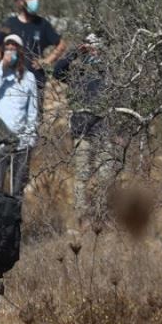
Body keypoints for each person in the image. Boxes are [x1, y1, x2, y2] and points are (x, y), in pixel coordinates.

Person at [52, 33, 115, 217]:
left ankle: (101, 213)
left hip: (103, 127)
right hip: (81, 129)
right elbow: (57, 72)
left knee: (106, 173)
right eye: (89, 44)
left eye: (95, 45)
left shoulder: (107, 71)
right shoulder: (76, 72)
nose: (92, 48)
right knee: (81, 174)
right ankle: (81, 216)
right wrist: (75, 52)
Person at [0, 0, 67, 113]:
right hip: (11, 82)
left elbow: (61, 44)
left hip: (36, 81)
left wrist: (46, 61)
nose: (35, 1)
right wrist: (3, 59)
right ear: (21, 1)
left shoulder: (42, 24)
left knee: (34, 118)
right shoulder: (10, 23)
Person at [0, 33, 40, 199]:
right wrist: (2, 67)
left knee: (17, 191)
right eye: (7, 49)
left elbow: (33, 111)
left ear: (20, 52)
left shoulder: (29, 78)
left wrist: (30, 140)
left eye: (13, 49)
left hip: (21, 143)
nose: (10, 52)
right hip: (0, 142)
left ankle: (14, 222)